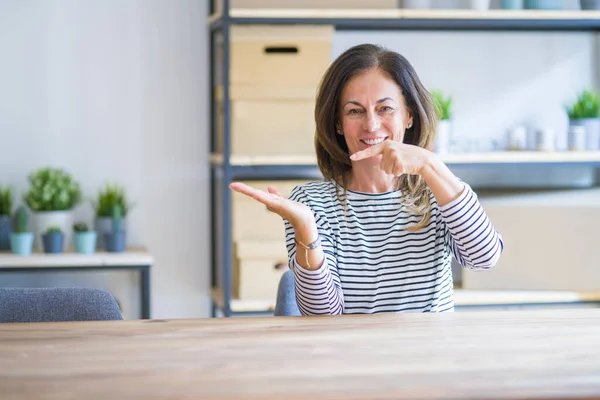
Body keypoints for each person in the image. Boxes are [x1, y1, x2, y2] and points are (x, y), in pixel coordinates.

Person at [230, 43, 504, 315]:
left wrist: (430, 164)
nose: (371, 125)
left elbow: (484, 258)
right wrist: (305, 228)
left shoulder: (439, 190)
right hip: (351, 355)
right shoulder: (310, 203)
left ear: (409, 115)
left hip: (426, 354)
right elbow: (323, 315)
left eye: (385, 108)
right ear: (338, 123)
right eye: (355, 111)